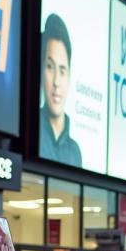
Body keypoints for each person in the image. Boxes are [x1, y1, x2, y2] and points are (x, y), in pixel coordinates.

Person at [38, 13, 83, 167]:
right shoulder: (33, 135)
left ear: (69, 76)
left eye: (62, 70)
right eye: (50, 67)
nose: (56, 81)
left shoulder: (75, 152)